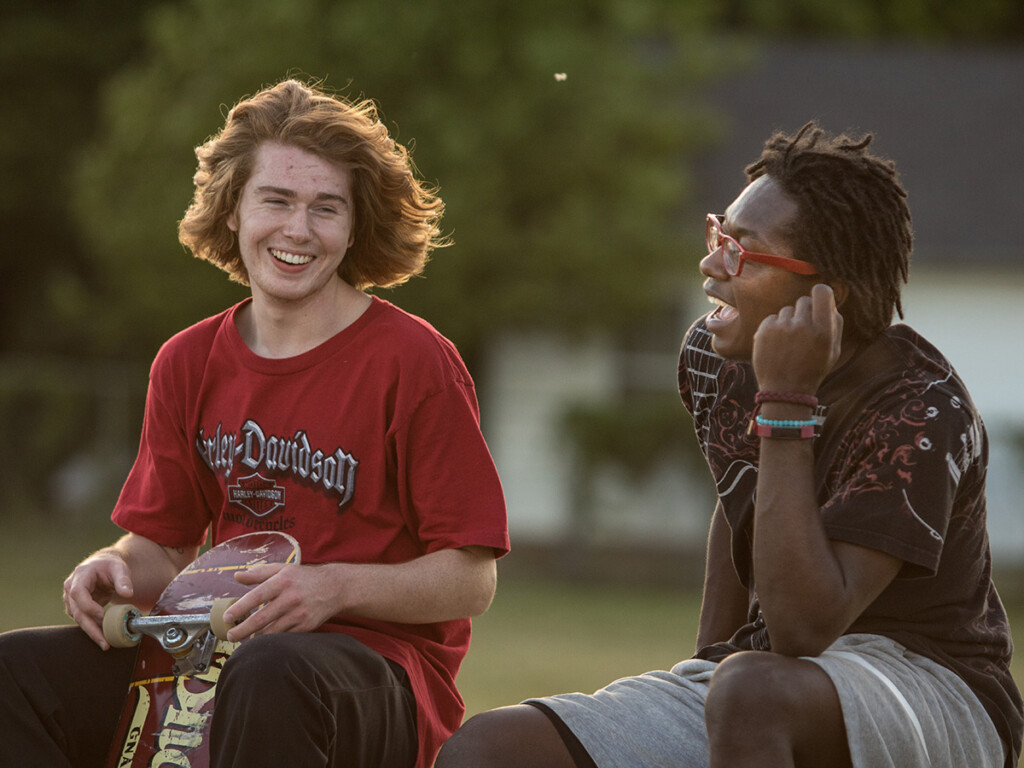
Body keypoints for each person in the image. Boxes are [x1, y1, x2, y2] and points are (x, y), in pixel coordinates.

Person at [435, 122, 1022, 768]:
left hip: (932, 684)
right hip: (762, 681)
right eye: (720, 235)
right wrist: (705, 664)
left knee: (749, 691)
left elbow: (803, 627)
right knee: (486, 749)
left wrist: (787, 403)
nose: (712, 265)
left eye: (744, 252)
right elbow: (738, 496)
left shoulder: (921, 410)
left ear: (827, 297)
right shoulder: (718, 360)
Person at [0, 78, 509, 768]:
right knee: (14, 675)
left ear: (354, 227)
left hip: (377, 672)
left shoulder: (414, 361)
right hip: (207, 650)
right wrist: (110, 567)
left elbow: (470, 580)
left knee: (271, 671)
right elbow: (164, 548)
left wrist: (333, 587)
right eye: (276, 200)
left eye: (326, 208)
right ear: (233, 208)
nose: (298, 230)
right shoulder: (187, 362)